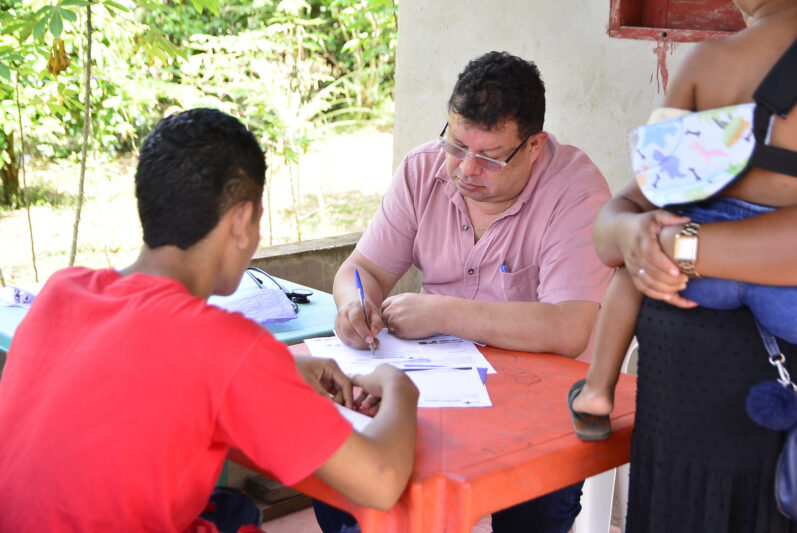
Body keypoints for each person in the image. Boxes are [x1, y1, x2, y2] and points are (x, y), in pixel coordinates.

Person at [0, 108, 419, 532]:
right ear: (240, 222)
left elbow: (145, 361)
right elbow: (381, 483)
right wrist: (397, 384)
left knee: (228, 508)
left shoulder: (62, 291)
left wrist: (280, 367)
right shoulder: (227, 348)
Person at [325, 51, 613, 533]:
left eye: (489, 157)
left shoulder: (576, 194)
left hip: (541, 405)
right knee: (342, 473)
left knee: (535, 516)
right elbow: (364, 268)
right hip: (437, 385)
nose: (466, 170)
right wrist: (354, 302)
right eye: (457, 145)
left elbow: (568, 328)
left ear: (535, 145)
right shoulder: (423, 171)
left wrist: (440, 312)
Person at [584, 1, 797, 530]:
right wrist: (632, 233)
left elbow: (657, 184)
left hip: (684, 393)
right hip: (758, 348)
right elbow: (617, 224)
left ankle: (596, 388)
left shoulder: (709, 62)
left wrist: (660, 239)